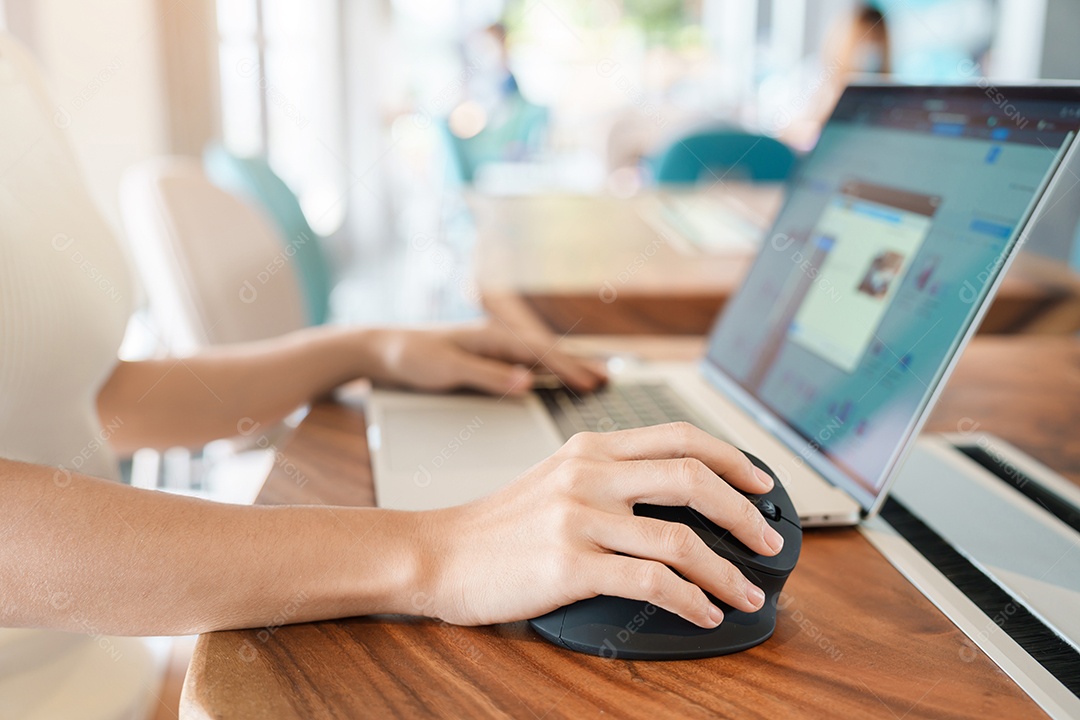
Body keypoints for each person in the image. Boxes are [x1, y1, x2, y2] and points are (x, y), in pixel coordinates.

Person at [0, 32, 782, 716]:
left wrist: (365, 349)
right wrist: (436, 551)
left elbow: (90, 400)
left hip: (118, 663)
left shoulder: (18, 68)